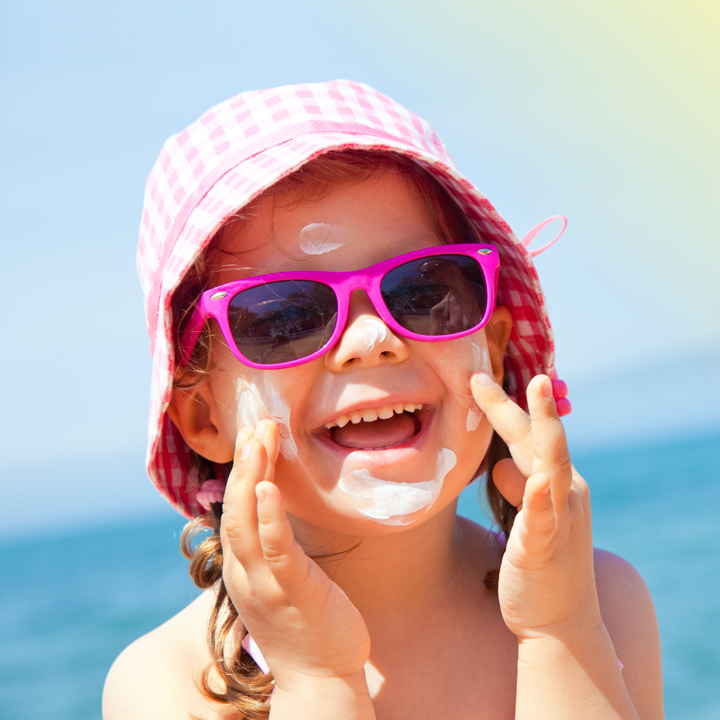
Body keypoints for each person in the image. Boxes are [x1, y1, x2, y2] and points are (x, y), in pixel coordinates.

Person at [103, 80, 663, 720]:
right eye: (285, 315)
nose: (371, 340)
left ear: (497, 349)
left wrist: (561, 634)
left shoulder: (602, 605)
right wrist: (319, 681)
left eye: (423, 291)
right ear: (202, 417)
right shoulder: (168, 686)